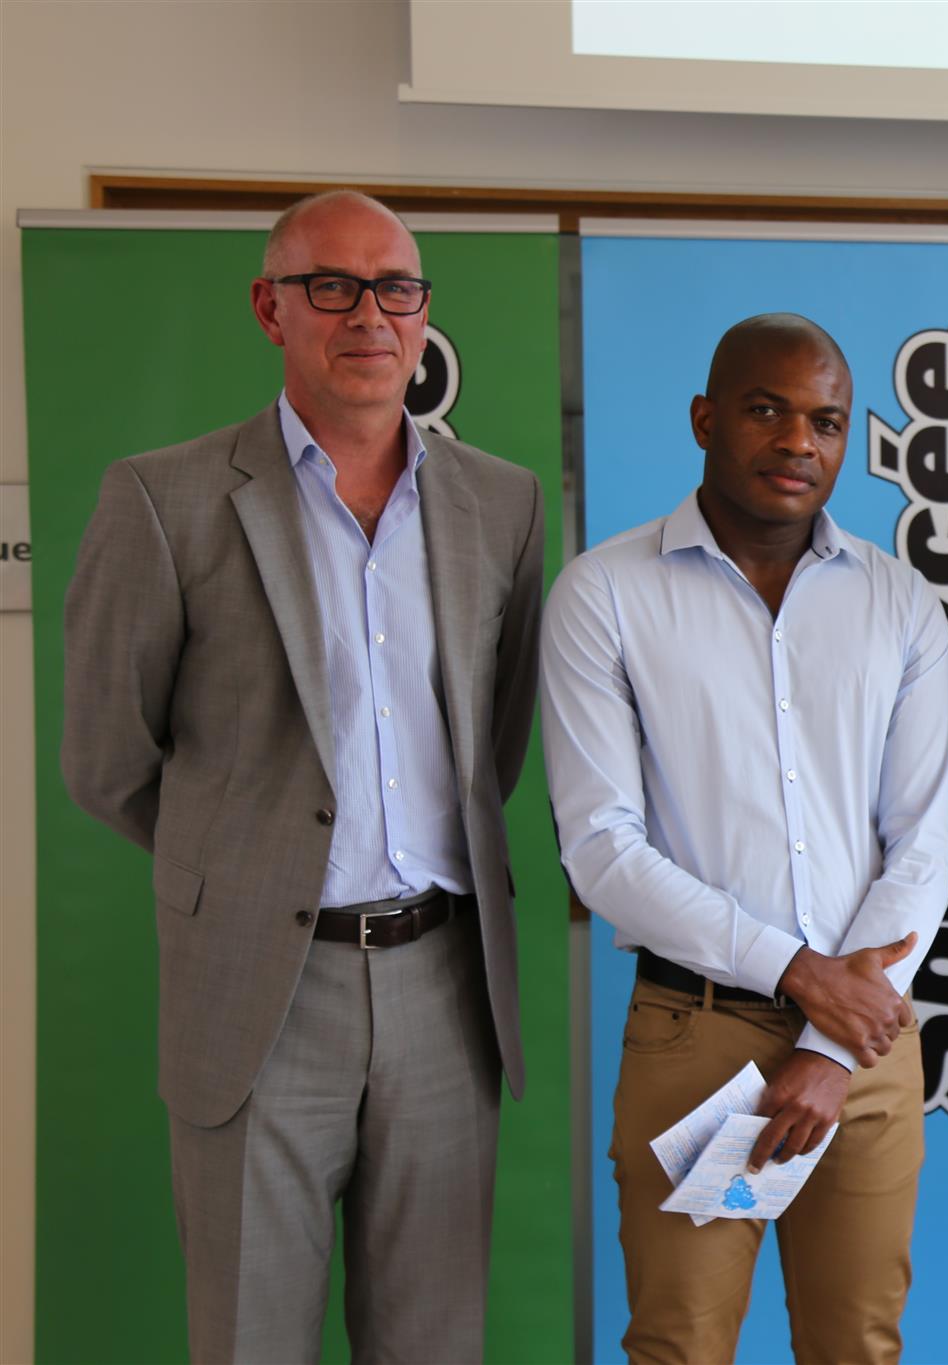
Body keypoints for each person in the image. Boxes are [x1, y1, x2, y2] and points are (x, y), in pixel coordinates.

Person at [61, 190, 545, 1362]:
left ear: (423, 315)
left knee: (432, 1342)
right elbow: (107, 760)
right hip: (259, 994)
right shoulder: (164, 497)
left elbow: (495, 741)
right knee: (249, 1340)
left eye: (396, 289)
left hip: (445, 987)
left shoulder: (502, 501)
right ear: (269, 308)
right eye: (332, 286)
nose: (368, 315)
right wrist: (248, 865)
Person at [540, 313, 948, 1364]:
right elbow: (601, 849)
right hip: (699, 1038)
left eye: (826, 421)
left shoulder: (899, 602)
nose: (797, 442)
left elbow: (921, 842)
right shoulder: (606, 593)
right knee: (679, 1347)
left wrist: (827, 1043)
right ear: (704, 418)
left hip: (861, 1052)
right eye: (767, 411)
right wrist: (801, 975)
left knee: (856, 1348)